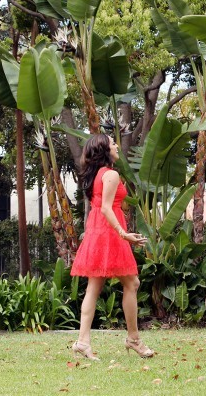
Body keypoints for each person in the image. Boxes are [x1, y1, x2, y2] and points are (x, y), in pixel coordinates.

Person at [70, 134, 154, 360]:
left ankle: (82, 341)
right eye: (113, 143)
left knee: (94, 287)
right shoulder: (111, 175)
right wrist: (123, 233)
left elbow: (105, 206)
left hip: (99, 230)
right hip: (108, 232)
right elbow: (107, 208)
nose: (117, 145)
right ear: (105, 150)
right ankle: (133, 339)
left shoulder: (98, 174)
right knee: (132, 282)